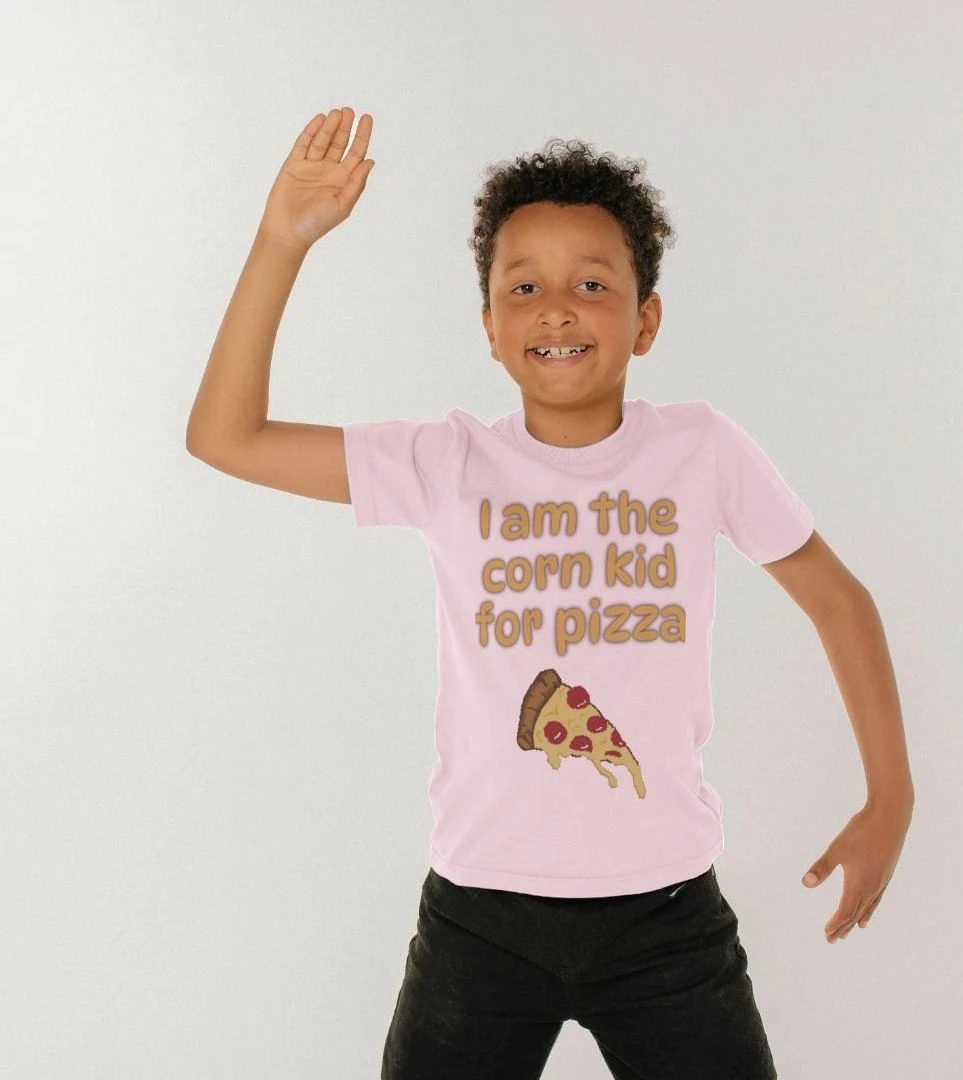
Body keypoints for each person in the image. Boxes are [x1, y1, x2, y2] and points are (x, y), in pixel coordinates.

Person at [186, 107, 915, 1080]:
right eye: (523, 286)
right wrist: (283, 241)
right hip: (479, 923)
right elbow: (224, 436)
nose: (557, 309)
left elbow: (837, 600)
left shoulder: (702, 450)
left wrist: (890, 798)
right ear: (490, 328)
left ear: (646, 319)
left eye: (592, 284)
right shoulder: (446, 463)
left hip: (666, 922)